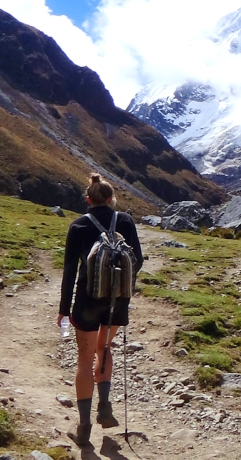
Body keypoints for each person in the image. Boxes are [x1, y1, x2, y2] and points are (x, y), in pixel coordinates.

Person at [58, 174, 143, 447]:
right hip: (116, 301)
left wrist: (64, 308)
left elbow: (70, 272)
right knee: (103, 348)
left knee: (84, 358)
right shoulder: (126, 222)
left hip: (86, 301)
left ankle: (83, 427)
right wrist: (118, 285)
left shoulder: (78, 226)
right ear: (110, 199)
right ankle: (104, 406)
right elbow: (138, 260)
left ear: (88, 200)